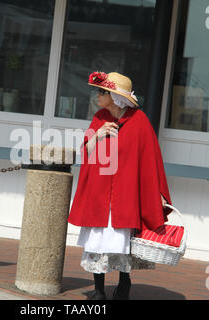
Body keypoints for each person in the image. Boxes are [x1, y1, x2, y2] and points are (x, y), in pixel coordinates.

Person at [68, 71, 172, 300]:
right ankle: (98, 290)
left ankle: (124, 284)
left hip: (125, 194)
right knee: (98, 239)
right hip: (99, 193)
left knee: (122, 240)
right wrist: (98, 135)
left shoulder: (139, 121)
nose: (97, 95)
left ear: (114, 96)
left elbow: (151, 157)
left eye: (101, 92)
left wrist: (158, 192)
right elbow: (86, 151)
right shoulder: (99, 117)